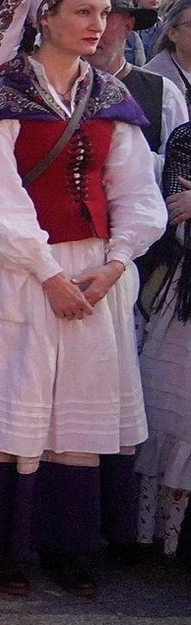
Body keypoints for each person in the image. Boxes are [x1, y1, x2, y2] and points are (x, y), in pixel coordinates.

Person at [0, 0, 167, 597]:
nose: (99, 24)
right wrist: (47, 273)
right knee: (17, 390)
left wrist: (117, 262)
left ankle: (68, 542)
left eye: (104, 13)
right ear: (46, 18)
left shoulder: (112, 97)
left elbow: (135, 189)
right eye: (83, 12)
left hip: (98, 268)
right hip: (23, 271)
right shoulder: (1, 97)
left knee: (80, 404)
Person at [135, 124, 191, 557]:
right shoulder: (187, 138)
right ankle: (167, 538)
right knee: (173, 417)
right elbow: (177, 221)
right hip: (183, 305)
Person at [94, 0, 187, 160]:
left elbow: (179, 170)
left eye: (106, 15)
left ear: (128, 26)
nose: (94, 27)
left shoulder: (162, 93)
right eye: (82, 14)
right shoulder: (50, 90)